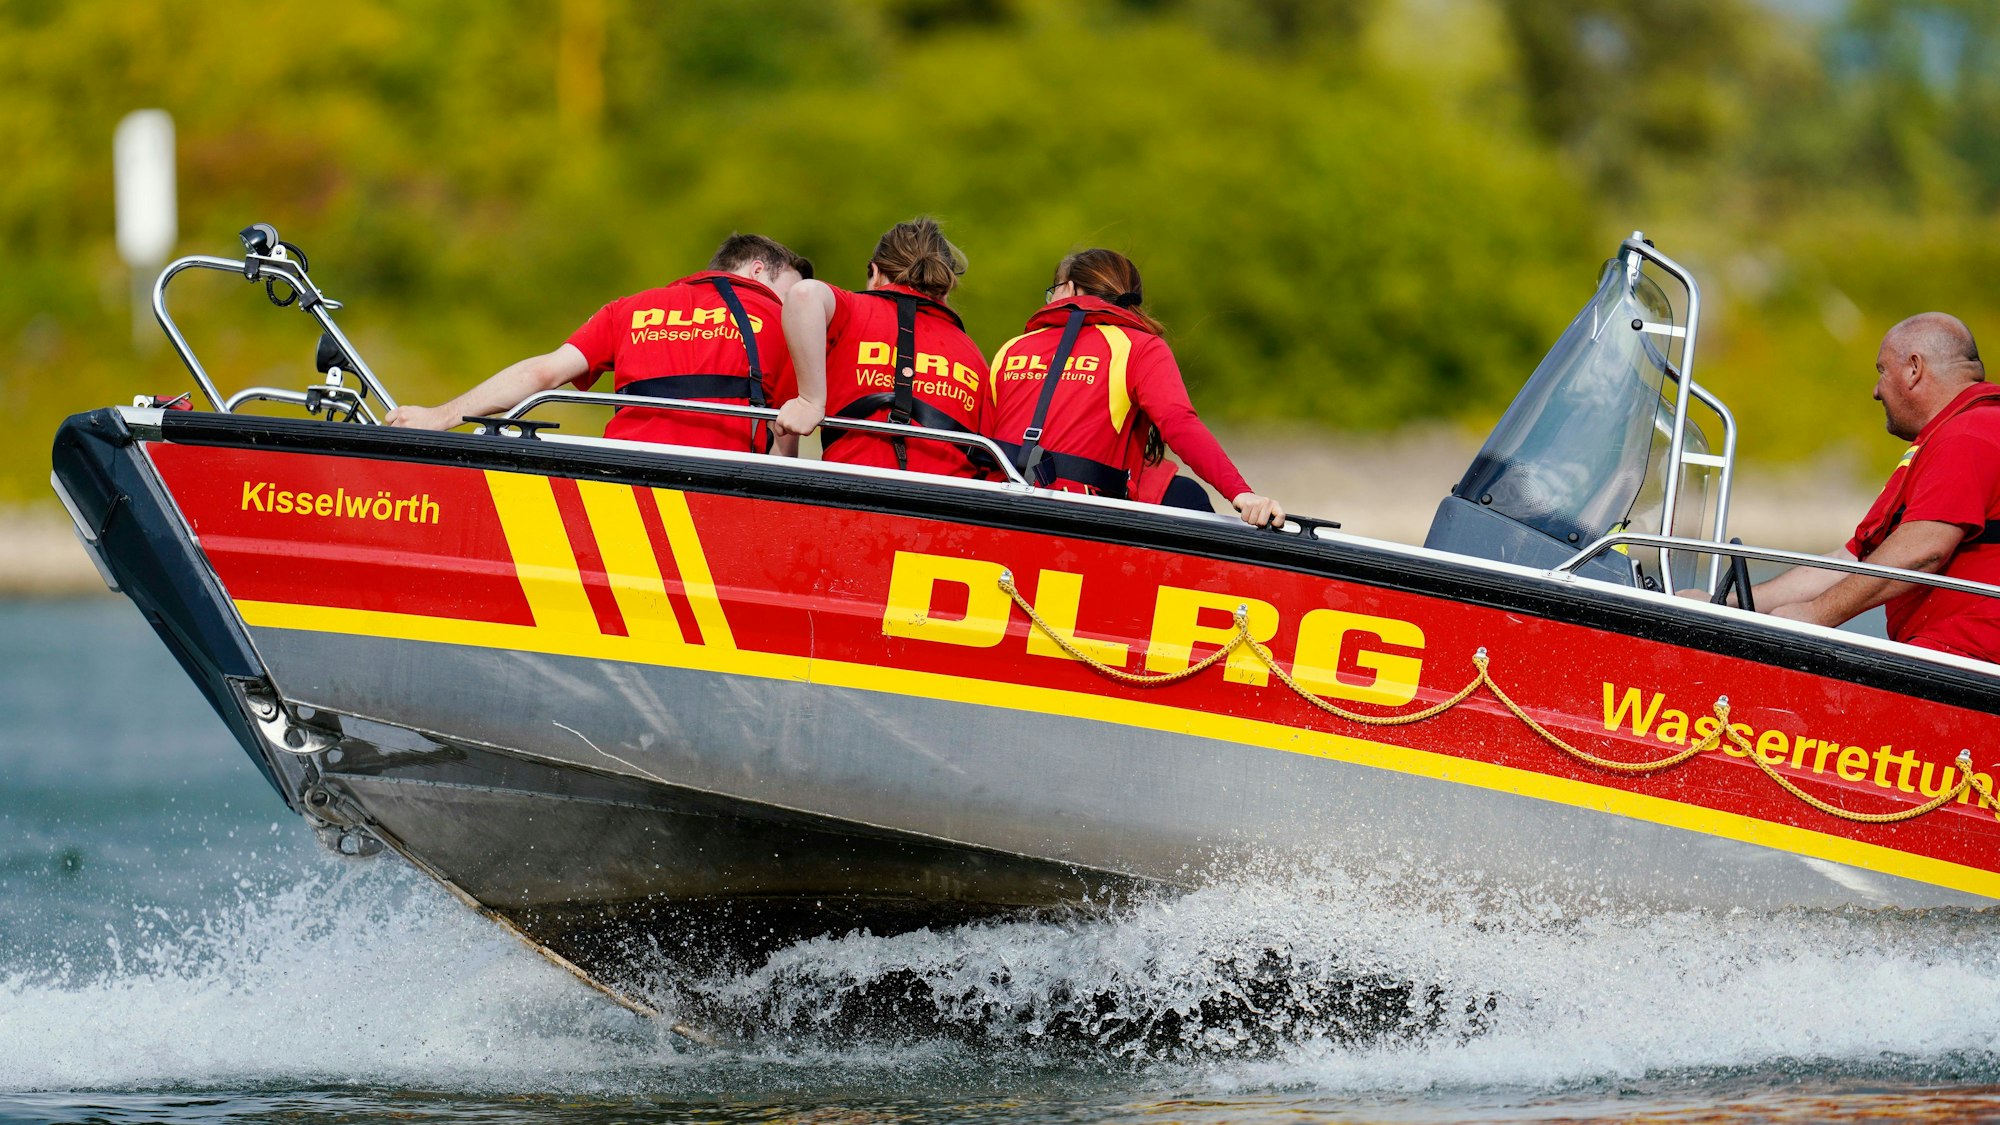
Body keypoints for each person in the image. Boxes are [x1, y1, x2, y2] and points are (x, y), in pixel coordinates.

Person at [1730, 312, 2000, 661]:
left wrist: (1816, 615)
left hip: (1968, 663)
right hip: (1941, 656)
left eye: (1881, 372)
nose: (1876, 391)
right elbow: (1855, 559)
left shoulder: (1971, 433)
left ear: (1914, 369)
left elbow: (1922, 551)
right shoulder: (1941, 442)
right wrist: (1728, 604)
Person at [387, 234, 812, 453]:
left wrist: (439, 417)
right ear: (758, 270)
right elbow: (786, 437)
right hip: (718, 490)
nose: (790, 302)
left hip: (620, 482)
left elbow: (541, 373)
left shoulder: (629, 309)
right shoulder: (782, 321)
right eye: (787, 289)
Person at [985, 248, 1283, 528]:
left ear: (1072, 289)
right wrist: (1240, 493)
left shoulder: (1011, 348)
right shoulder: (1140, 347)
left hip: (996, 507)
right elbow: (1179, 423)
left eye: (1054, 289)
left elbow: (982, 440)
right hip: (1084, 517)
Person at [772, 218, 991, 478]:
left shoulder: (850, 312)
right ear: (943, 291)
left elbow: (804, 294)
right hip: (941, 509)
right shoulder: (973, 355)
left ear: (875, 273)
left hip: (851, 497)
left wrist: (810, 401)